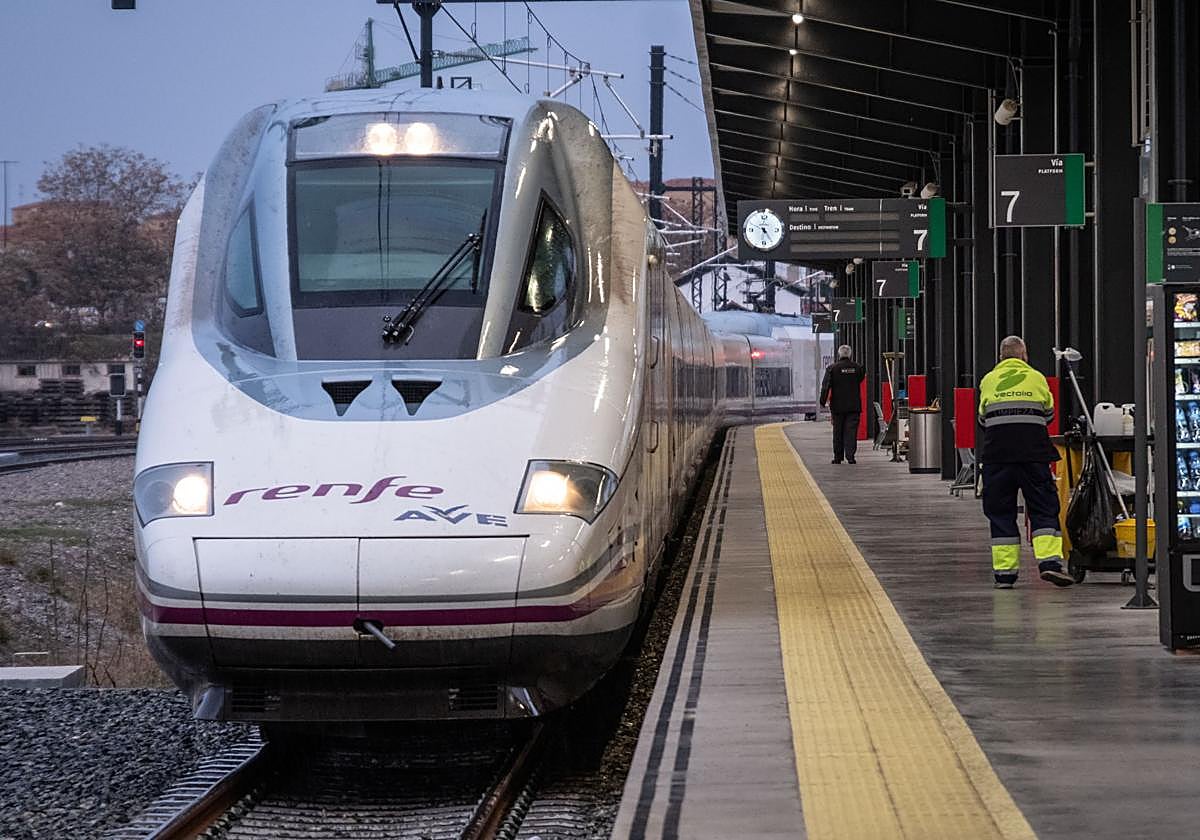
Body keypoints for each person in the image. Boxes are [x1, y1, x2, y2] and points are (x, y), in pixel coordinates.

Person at [978, 335, 1074, 588]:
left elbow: (982, 419)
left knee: (1001, 512)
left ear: (1000, 357)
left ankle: (1005, 576)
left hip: (997, 457)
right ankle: (1050, 564)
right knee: (1043, 507)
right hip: (1034, 455)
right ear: (1024, 356)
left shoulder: (988, 380)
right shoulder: (1037, 378)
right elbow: (1049, 414)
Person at [819, 345, 866, 464]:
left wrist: (822, 401)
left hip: (837, 406)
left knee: (838, 431)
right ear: (850, 354)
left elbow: (825, 386)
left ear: (839, 354)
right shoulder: (857, 368)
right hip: (853, 406)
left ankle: (838, 457)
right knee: (851, 432)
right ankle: (850, 457)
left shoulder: (832, 368)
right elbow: (860, 378)